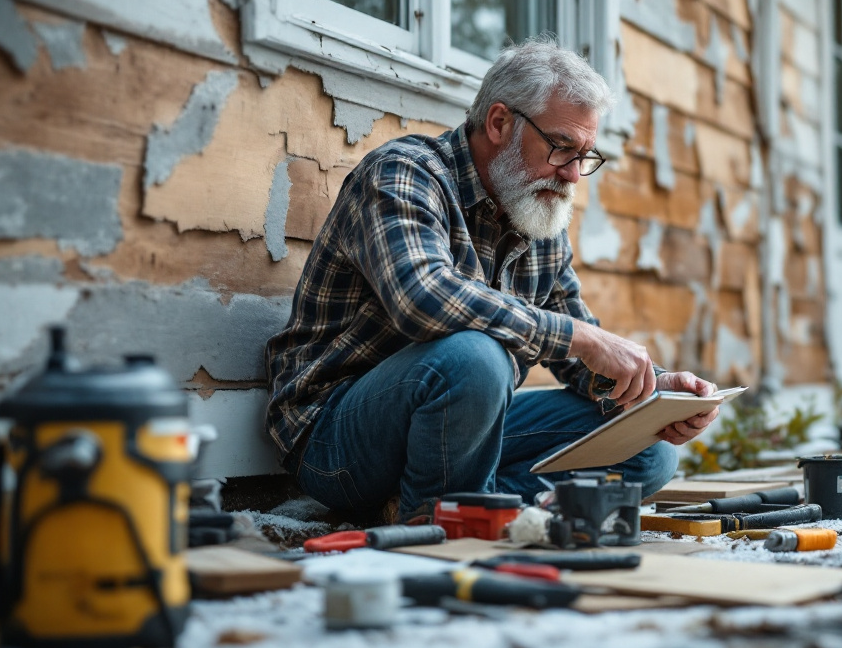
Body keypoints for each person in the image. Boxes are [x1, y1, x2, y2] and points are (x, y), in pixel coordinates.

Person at [264, 36, 719, 521]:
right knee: (478, 357)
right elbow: (424, 298)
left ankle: (438, 507)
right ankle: (445, 524)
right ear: (500, 122)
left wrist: (652, 392)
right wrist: (581, 337)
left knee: (648, 449)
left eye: (584, 156)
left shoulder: (539, 214)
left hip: (462, 430)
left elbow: (581, 360)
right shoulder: (403, 174)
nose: (572, 178)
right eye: (561, 147)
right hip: (337, 437)